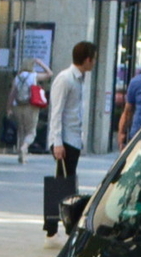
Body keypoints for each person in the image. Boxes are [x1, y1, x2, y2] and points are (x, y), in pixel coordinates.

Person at [46, 39, 94, 196]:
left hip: (74, 138)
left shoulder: (80, 80)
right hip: (65, 139)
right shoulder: (65, 79)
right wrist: (57, 142)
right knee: (63, 180)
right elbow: (57, 111)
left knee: (68, 179)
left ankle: (62, 213)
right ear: (87, 59)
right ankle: (54, 216)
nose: (94, 63)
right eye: (93, 59)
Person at [9, 56, 48, 165]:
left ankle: (22, 156)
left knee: (21, 131)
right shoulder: (34, 76)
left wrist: (9, 108)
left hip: (18, 106)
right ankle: (24, 147)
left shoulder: (17, 77)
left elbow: (12, 94)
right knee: (31, 132)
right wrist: (41, 63)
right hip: (31, 106)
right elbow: (49, 73)